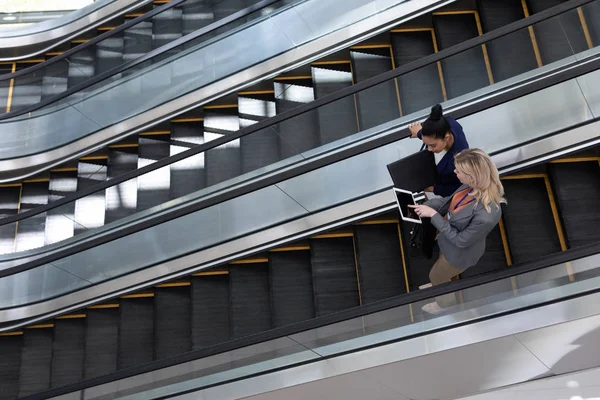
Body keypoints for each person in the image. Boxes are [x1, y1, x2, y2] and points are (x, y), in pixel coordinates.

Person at [409, 148, 505, 315]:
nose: (454, 171)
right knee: (441, 270)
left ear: (472, 176)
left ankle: (444, 304)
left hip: (458, 255)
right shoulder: (467, 186)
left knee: (435, 275)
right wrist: (426, 207)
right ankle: (441, 283)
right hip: (446, 241)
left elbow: (461, 241)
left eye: (459, 170)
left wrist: (432, 215)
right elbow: (448, 203)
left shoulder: (487, 215)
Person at [409, 104, 469, 197]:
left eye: (433, 145)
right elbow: (430, 135)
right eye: (427, 145)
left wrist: (433, 189)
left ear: (446, 137)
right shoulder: (449, 124)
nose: (429, 149)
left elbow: (461, 187)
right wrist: (419, 133)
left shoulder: (459, 161)